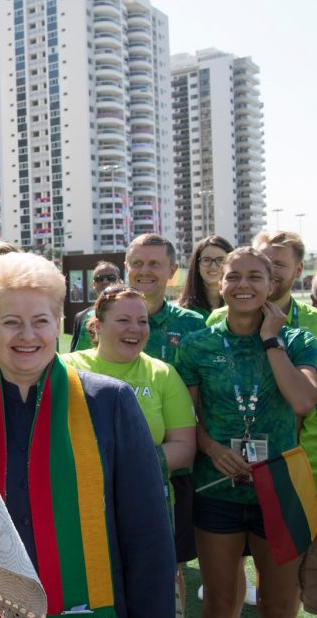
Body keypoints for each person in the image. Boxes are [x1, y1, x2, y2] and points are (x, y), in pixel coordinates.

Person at [0, 252, 175, 616]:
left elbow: (147, 535)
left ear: (58, 323)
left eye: (41, 321)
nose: (28, 336)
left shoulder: (110, 404)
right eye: (11, 322)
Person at [176, 247, 317, 618]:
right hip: (217, 486)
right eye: (233, 276)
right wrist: (211, 447)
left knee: (278, 605)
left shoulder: (300, 341)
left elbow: (303, 401)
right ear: (220, 285)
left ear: (272, 285)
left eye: (255, 276)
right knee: (219, 604)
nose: (243, 284)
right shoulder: (196, 346)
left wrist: (272, 339)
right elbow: (188, 418)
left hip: (280, 488)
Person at [62, 285, 196, 612]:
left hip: (149, 508)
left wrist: (124, 466)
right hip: (79, 509)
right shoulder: (65, 369)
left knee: (150, 595)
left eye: (143, 321)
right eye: (123, 320)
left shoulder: (163, 374)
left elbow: (184, 447)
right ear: (97, 325)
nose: (135, 329)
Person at [74, 234, 205, 360]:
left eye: (154, 264)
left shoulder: (192, 324)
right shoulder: (97, 319)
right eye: (137, 263)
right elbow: (81, 372)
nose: (144, 271)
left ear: (172, 271)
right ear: (126, 268)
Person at [69, 260, 122, 351]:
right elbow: (74, 353)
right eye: (99, 279)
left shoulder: (132, 313)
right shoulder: (81, 317)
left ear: (120, 281)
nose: (105, 281)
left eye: (111, 278)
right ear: (93, 284)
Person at [178, 235, 234, 320]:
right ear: (197, 266)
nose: (213, 266)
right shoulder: (182, 311)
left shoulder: (240, 306)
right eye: (207, 260)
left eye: (220, 260)